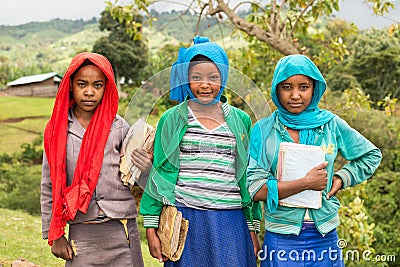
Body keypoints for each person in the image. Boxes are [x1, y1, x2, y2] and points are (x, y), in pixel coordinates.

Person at [246, 54, 382, 266]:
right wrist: (305, 184)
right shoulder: (263, 130)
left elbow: (371, 155)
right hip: (282, 237)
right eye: (287, 87)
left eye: (303, 87)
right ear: (276, 90)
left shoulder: (330, 124)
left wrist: (341, 178)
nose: (295, 95)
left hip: (324, 236)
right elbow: (255, 189)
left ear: (314, 88)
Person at [139, 36, 262, 267]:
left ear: (223, 78)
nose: (205, 84)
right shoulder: (172, 119)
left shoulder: (241, 120)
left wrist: (252, 227)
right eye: (196, 77)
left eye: (213, 77)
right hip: (186, 219)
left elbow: (247, 176)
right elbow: (160, 172)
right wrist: (151, 225)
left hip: (231, 219)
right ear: (186, 79)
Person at [40, 52, 150, 266]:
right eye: (82, 84)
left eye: (97, 85)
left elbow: (133, 175)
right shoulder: (58, 130)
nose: (89, 92)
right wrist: (54, 236)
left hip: (121, 227)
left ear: (106, 88)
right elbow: (48, 185)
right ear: (70, 85)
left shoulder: (118, 127)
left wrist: (146, 168)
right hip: (81, 228)